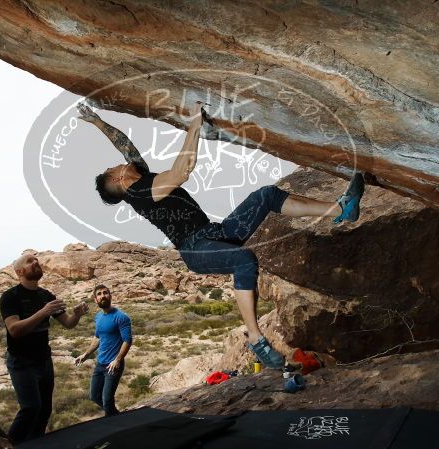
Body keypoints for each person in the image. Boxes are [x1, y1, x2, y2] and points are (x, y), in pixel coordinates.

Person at [77, 101, 365, 369]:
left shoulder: (139, 175)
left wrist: (98, 122)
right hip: (195, 249)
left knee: (265, 196)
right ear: (117, 179)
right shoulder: (140, 193)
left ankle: (340, 209)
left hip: (214, 232)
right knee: (244, 260)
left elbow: (125, 145)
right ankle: (255, 339)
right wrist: (194, 122)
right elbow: (181, 172)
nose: (116, 163)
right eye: (110, 168)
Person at [0, 252, 89, 443]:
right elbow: (14, 330)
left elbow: (68, 323)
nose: (36, 263)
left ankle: (36, 447)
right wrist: (43, 312)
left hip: (44, 360)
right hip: (21, 361)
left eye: (37, 260)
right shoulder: (10, 297)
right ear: (19, 271)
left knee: (44, 410)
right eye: (30, 261)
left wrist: (77, 314)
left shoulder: (46, 295)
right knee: (31, 407)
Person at [75, 284, 132, 417]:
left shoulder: (121, 317)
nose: (103, 296)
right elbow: (97, 338)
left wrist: (117, 360)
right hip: (100, 364)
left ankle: (114, 423)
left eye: (105, 293)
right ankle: (116, 416)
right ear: (95, 300)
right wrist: (86, 354)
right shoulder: (98, 317)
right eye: (99, 294)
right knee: (94, 396)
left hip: (113, 365)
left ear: (110, 296)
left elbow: (127, 341)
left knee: (107, 401)